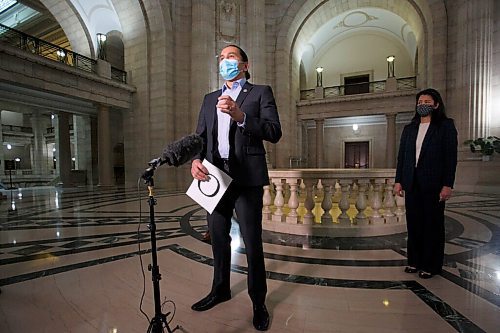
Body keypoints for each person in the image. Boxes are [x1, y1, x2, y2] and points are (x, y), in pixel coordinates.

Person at [190, 44, 282, 331]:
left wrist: (242, 117)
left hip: (247, 178)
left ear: (244, 64)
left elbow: (274, 132)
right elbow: (200, 138)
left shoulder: (260, 93)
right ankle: (220, 289)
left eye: (231, 57)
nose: (225, 61)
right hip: (215, 178)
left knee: (252, 243)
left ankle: (258, 301)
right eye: (221, 58)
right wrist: (195, 161)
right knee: (218, 238)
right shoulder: (209, 99)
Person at [394, 88, 457, 279]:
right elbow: (402, 158)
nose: (423, 104)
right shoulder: (409, 129)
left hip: (434, 184)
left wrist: (447, 184)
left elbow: (450, 157)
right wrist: (398, 181)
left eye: (427, 101)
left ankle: (431, 264)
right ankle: (414, 261)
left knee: (433, 225)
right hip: (411, 183)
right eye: (420, 101)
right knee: (414, 225)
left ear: (436, 104)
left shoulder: (445, 126)